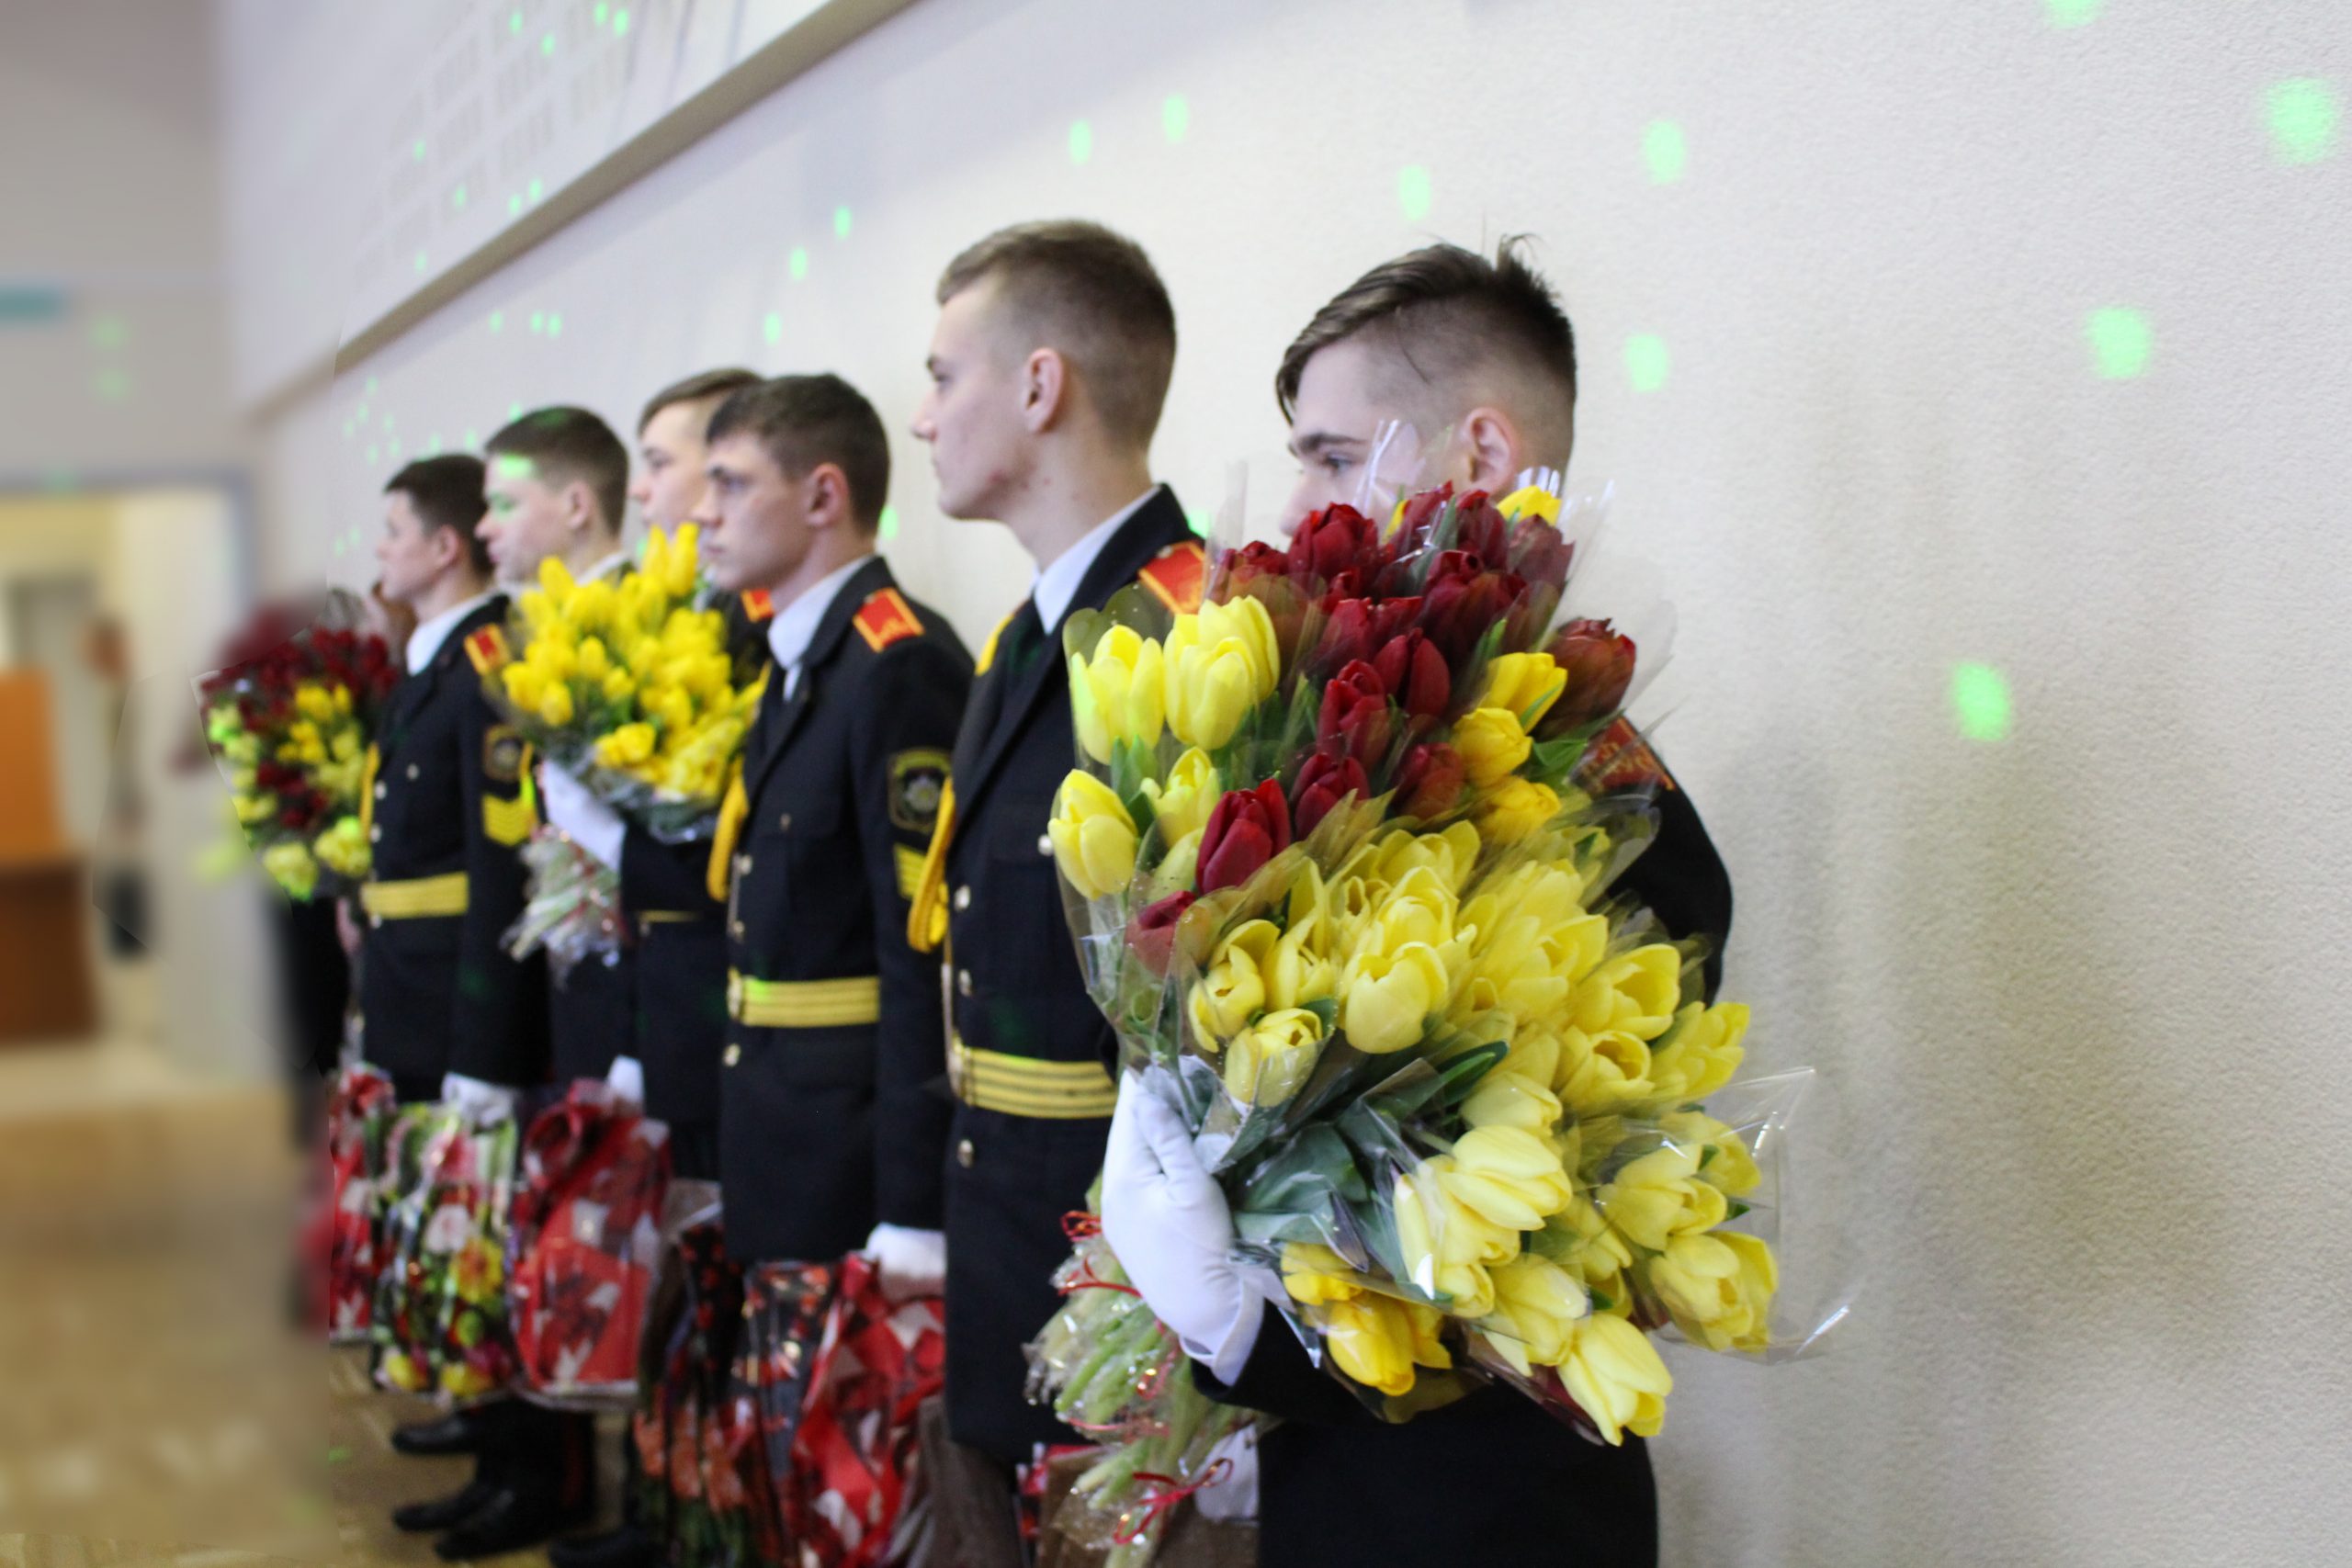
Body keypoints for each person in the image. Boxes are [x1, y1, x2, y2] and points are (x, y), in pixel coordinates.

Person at [1098, 240, 1735, 1568]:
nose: (1294, 503)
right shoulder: (1351, 739)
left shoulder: (1611, 814)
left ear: (1482, 456)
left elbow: (1523, 1254)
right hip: (1332, 1494)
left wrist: (1238, 1328)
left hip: (1484, 1524)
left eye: (1332, 456)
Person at [902, 220, 1204, 1563]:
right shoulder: (1027, 641)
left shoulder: (1194, 629)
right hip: (1007, 1228)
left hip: (1121, 1267)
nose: (923, 418)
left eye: (942, 377)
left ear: (1039, 387)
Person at [390, 410, 638, 1558]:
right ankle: (516, 1460)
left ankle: (548, 1475)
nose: (486, 530)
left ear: (574, 504)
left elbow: (504, 871)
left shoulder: (589, 643)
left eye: (504, 503)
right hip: (553, 1001)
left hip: (587, 1012)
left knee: (575, 1267)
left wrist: (492, 1047)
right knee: (532, 1255)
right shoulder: (538, 640)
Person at [540, 368, 758, 1568]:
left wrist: (614, 830)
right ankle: (658, 1509)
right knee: (671, 1282)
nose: (655, 491)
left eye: (669, 462)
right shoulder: (673, 621)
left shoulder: (748, 633)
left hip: (728, 1018)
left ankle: (687, 1521)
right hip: (664, 1007)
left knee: (712, 1295)